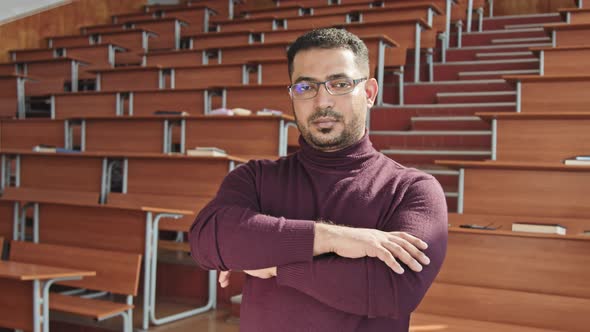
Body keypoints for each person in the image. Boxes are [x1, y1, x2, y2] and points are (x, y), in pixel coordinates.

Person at [189, 28, 448, 332]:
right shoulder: (255, 178)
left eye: (339, 84)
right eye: (305, 87)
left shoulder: (411, 190)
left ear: (369, 93)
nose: (322, 101)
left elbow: (393, 289)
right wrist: (337, 239)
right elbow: (207, 241)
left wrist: (273, 264)